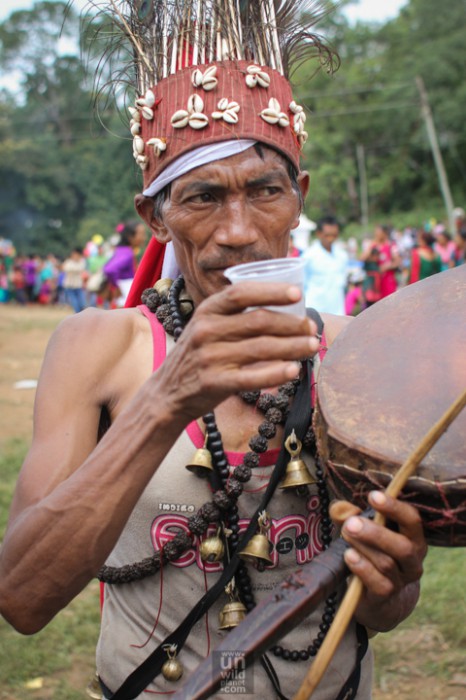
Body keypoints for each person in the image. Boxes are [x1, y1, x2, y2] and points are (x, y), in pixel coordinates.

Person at [0, 3, 427, 700]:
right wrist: (168, 397)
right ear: (155, 217)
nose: (237, 231)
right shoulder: (99, 349)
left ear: (300, 198)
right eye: (202, 197)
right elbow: (21, 597)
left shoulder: (355, 351)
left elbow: (383, 610)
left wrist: (395, 579)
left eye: (265, 190)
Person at [302, 216, 349, 315]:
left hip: (337, 311)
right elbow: (302, 285)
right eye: (327, 235)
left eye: (334, 235)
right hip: (316, 311)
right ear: (318, 234)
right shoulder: (309, 256)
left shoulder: (342, 255)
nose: (331, 239)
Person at [103, 221, 147, 307]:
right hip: (125, 298)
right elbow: (109, 269)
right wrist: (117, 287)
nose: (144, 238)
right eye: (141, 234)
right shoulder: (127, 253)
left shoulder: (121, 250)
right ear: (130, 237)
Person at [360, 225, 401, 303]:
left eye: (378, 232)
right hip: (376, 284)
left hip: (388, 281)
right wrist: (371, 245)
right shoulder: (374, 245)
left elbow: (397, 261)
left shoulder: (391, 245)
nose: (376, 234)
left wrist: (386, 266)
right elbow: (362, 258)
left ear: (384, 233)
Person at [62, 246, 87, 313]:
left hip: (78, 285)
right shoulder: (68, 261)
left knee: (82, 302)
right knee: (74, 301)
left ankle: (81, 313)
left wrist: (74, 268)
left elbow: (81, 268)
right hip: (69, 285)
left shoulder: (81, 261)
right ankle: (77, 314)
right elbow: (66, 268)